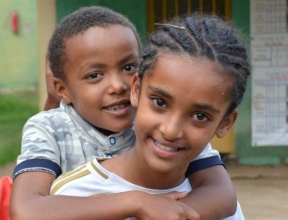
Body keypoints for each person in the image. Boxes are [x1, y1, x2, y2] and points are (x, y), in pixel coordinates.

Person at [10, 6, 237, 220]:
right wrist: (136, 203)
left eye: (128, 67)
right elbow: (27, 210)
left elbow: (222, 195)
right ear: (63, 90)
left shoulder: (160, 121)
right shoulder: (49, 128)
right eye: (95, 75)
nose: (118, 86)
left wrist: (166, 212)